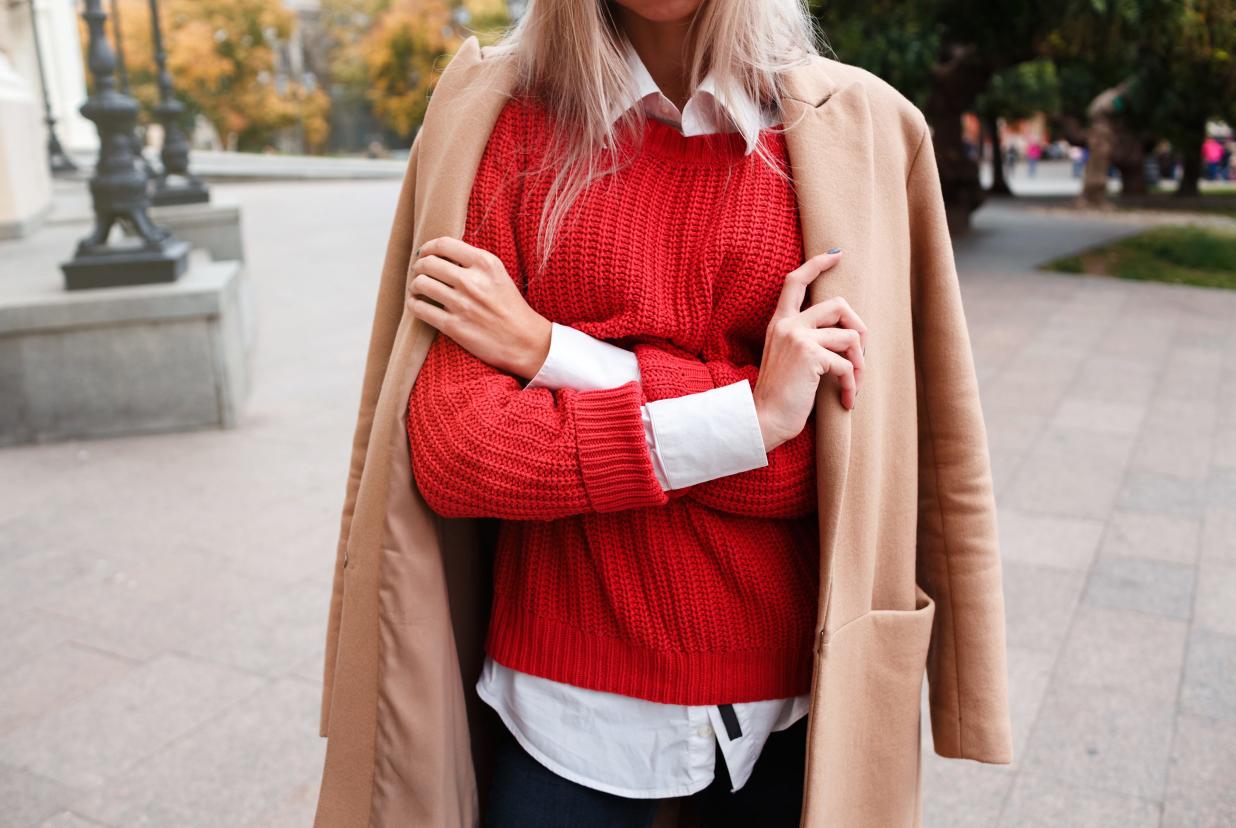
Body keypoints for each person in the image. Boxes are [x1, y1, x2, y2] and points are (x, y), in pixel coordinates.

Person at [314, 1, 1013, 825]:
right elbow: (458, 453)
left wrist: (547, 352)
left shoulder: (866, 130)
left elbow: (845, 460)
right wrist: (750, 415)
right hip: (559, 712)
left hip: (795, 713)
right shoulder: (498, 116)